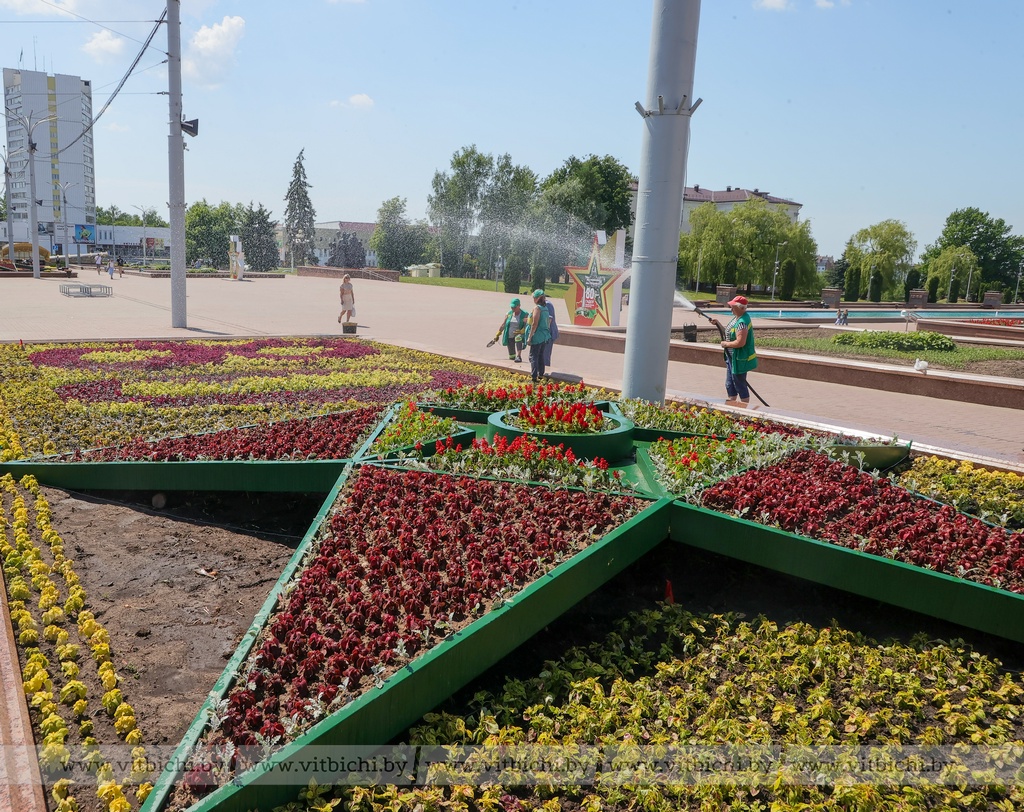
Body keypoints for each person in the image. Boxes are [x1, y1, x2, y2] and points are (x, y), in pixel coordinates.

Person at [710, 295, 757, 407]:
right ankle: (731, 407)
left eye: (733, 306)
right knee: (730, 384)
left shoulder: (742, 322)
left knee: (739, 384)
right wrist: (718, 323)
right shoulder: (737, 318)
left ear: (741, 308)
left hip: (739, 359)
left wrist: (726, 344)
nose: (731, 308)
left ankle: (743, 409)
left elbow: (740, 342)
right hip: (732, 358)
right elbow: (728, 332)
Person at [525, 289, 552, 382]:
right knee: (540, 355)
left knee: (533, 356)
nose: (533, 299)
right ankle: (541, 374)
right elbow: (548, 322)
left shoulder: (537, 308)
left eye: (533, 297)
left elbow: (534, 324)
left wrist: (529, 337)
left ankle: (534, 377)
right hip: (544, 335)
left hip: (537, 336)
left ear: (537, 298)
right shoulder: (545, 308)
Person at [493, 298, 526, 362]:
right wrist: (498, 334)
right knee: (511, 356)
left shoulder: (525, 314)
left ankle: (519, 356)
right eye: (512, 307)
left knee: (518, 338)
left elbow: (527, 326)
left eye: (514, 307)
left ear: (519, 305)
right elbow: (504, 324)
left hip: (519, 334)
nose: (513, 309)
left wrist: (522, 331)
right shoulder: (509, 314)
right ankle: (512, 361)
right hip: (510, 335)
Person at [543, 295, 559, 370]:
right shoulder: (543, 304)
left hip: (548, 334)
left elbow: (549, 320)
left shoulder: (547, 304)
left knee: (545, 355)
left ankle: (546, 373)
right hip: (545, 334)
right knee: (542, 355)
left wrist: (545, 333)